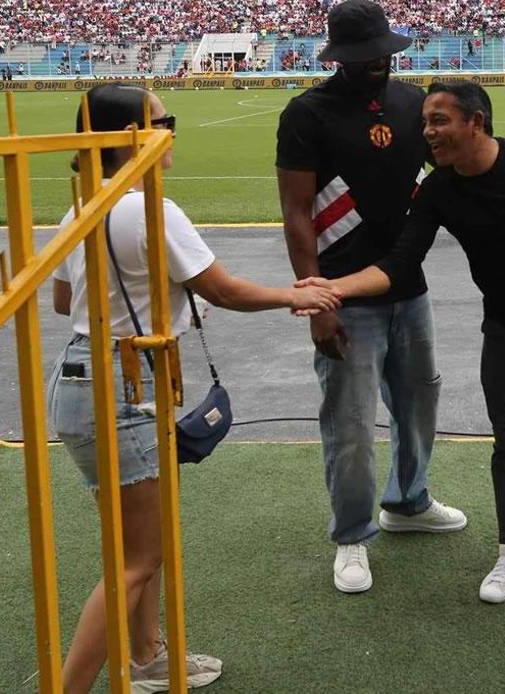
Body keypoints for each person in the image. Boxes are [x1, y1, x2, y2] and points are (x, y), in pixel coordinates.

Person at [47, 84, 340, 693]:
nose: (171, 131)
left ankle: (149, 658)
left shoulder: (83, 206)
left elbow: (62, 300)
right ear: (129, 136)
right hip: (126, 381)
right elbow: (222, 290)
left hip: (81, 375)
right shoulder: (149, 208)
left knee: (136, 548)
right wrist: (298, 294)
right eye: (162, 120)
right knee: (135, 561)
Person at [299, 81, 505, 604]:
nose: (428, 132)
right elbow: (400, 264)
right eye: (425, 121)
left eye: (440, 121)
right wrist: (333, 288)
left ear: (477, 121)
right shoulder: (439, 191)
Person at [276, 0, 466, 594]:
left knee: (419, 403)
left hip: (409, 288)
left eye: (381, 54)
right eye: (363, 57)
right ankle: (353, 536)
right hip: (342, 295)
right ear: (339, 58)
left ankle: (407, 503)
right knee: (351, 423)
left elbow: (450, 176)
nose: (376, 64)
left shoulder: (415, 104)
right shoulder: (307, 113)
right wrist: (314, 302)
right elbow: (297, 212)